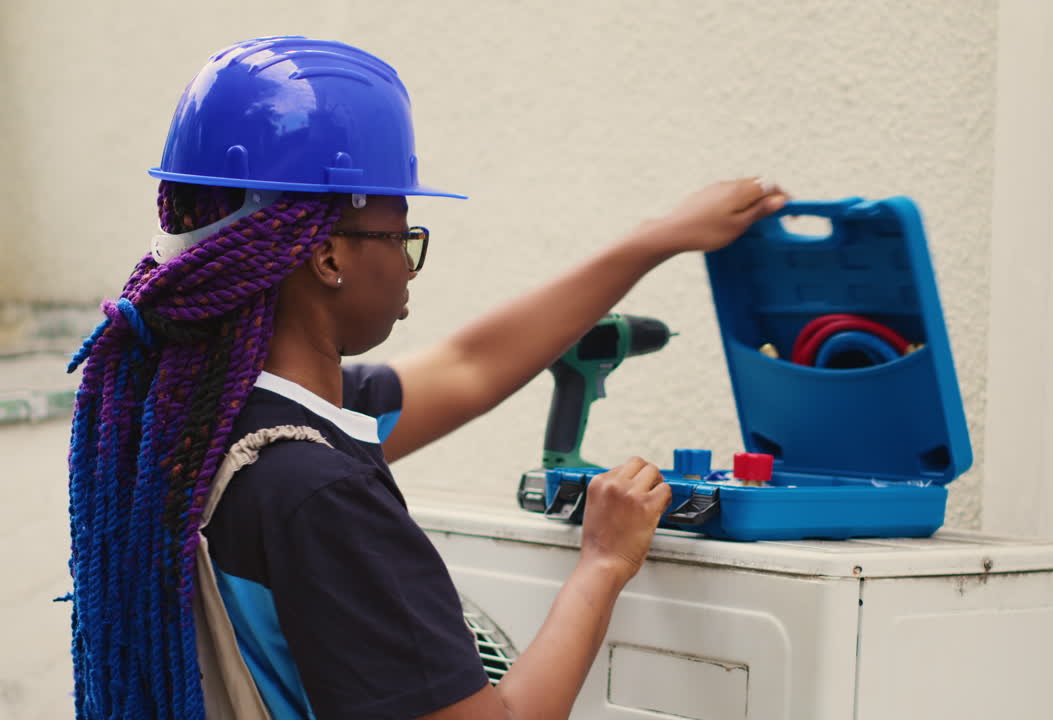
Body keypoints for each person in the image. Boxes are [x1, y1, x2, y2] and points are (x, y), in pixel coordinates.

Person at [65, 36, 788, 720]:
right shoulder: (320, 494)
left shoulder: (195, 423)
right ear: (327, 257)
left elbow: (468, 366)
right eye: (402, 234)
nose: (410, 265)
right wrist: (603, 563)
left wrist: (655, 239)